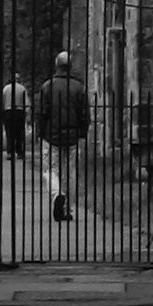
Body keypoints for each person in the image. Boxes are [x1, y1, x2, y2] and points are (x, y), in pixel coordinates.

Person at [37, 53, 89, 223]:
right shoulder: (79, 87)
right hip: (72, 136)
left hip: (51, 136)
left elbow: (42, 112)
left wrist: (40, 132)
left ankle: (57, 193)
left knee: (51, 169)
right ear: (70, 66)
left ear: (56, 65)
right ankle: (67, 208)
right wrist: (82, 131)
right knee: (71, 172)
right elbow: (84, 113)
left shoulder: (47, 87)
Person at [2, 77, 28, 158]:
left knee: (9, 133)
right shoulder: (22, 88)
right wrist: (27, 112)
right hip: (19, 111)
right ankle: (20, 152)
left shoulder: (6, 88)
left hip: (8, 111)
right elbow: (26, 102)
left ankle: (10, 152)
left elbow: (2, 100)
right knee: (20, 132)